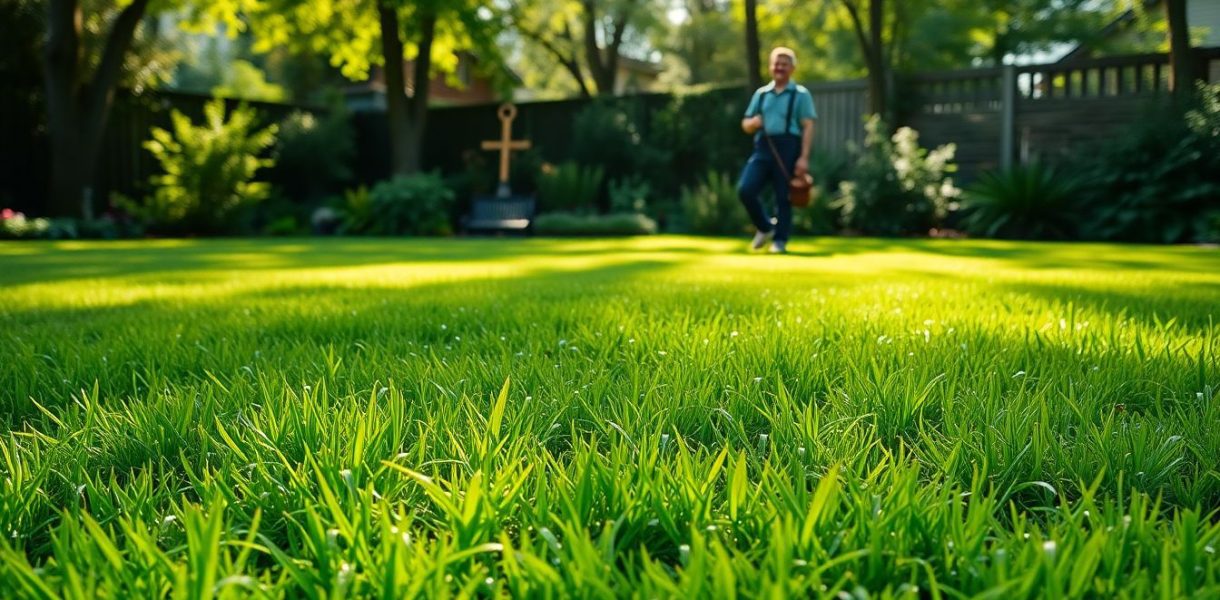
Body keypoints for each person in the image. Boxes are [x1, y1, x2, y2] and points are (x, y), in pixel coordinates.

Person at [738, 47, 817, 254]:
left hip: (788, 146)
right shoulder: (761, 94)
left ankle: (780, 240)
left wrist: (803, 157)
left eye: (784, 64)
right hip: (763, 146)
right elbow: (745, 124)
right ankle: (765, 227)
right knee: (746, 189)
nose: (779, 67)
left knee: (784, 197)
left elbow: (808, 125)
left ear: (792, 68)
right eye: (776, 63)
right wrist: (753, 122)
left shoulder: (800, 95)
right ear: (770, 67)